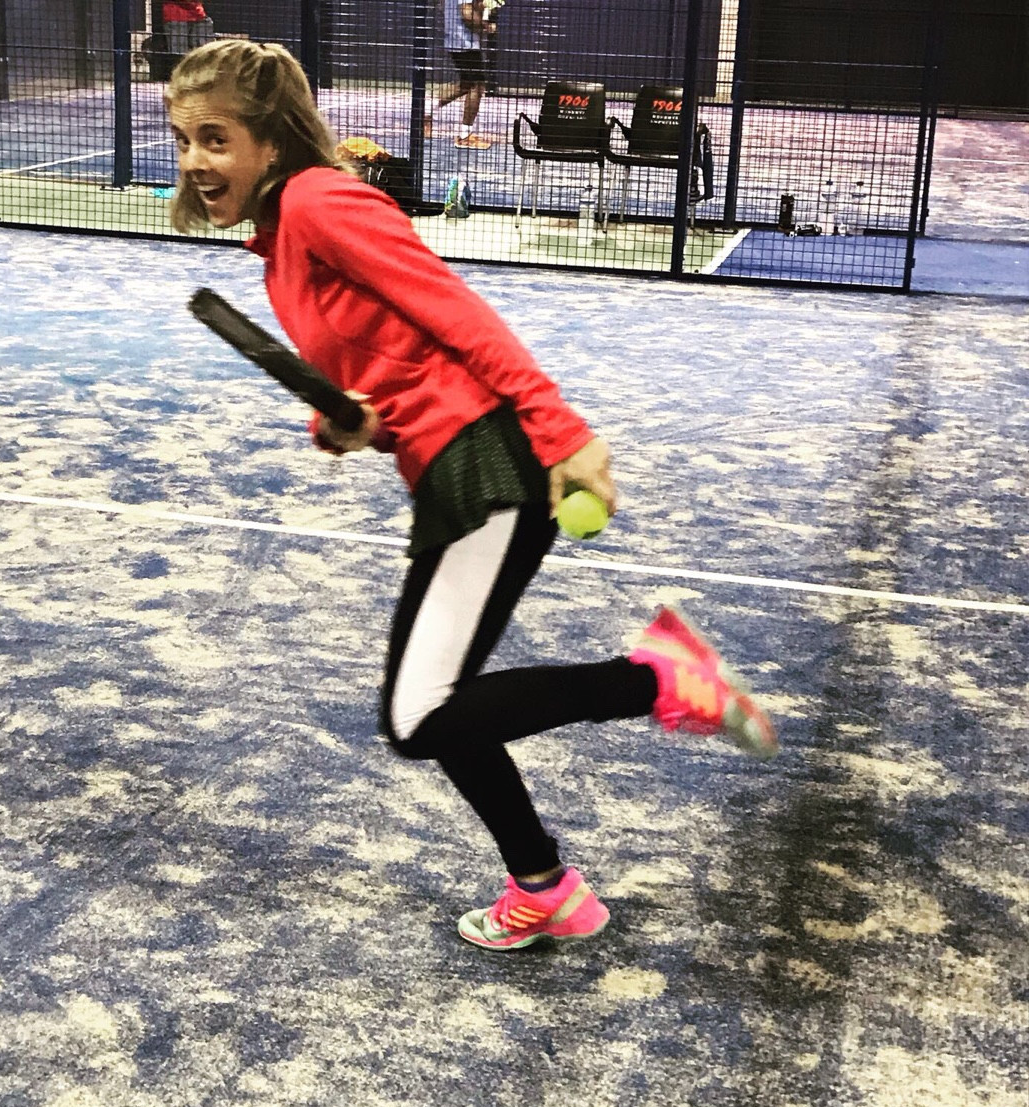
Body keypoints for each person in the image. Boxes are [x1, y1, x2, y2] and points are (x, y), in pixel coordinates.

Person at [165, 40, 779, 951]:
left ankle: (658, 679)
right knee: (440, 707)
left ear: (271, 139)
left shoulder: (320, 200)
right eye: (184, 139)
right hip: (449, 472)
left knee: (420, 717)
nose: (194, 160)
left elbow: (455, 311)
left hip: (489, 466)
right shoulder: (282, 242)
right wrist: (345, 423)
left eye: (215, 138)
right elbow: (391, 366)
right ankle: (545, 887)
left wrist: (561, 431)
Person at [424, 1, 496, 149]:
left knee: (467, 85)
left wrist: (481, 8)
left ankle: (425, 112)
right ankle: (464, 136)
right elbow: (467, 14)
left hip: (456, 40)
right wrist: (485, 26)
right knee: (477, 86)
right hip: (464, 43)